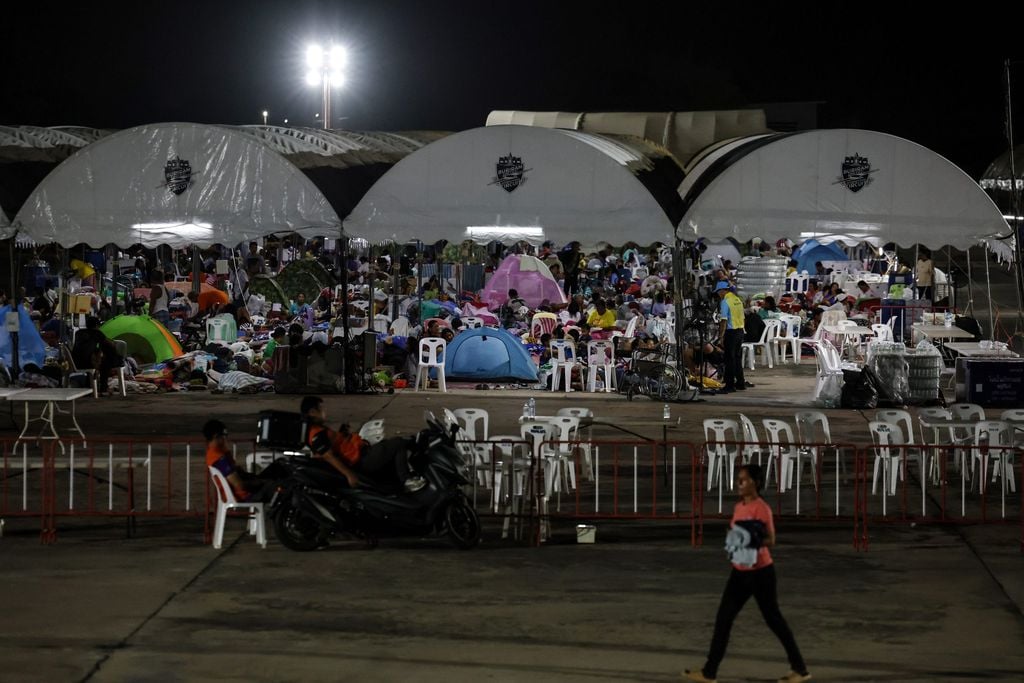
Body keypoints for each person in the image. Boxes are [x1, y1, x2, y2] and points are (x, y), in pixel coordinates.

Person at [683, 464, 811, 683]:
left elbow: (771, 539)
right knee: (723, 619)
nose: (739, 484)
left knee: (774, 620)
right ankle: (709, 672)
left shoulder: (762, 509)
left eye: (743, 480)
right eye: (738, 480)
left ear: (756, 483)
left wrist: (750, 539)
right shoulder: (738, 507)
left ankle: (799, 669)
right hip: (740, 572)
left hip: (760, 573)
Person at [300, 396, 425, 492]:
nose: (324, 412)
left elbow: (335, 445)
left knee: (388, 445)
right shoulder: (316, 434)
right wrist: (349, 475)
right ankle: (406, 480)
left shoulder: (318, 430)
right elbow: (329, 456)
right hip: (361, 460)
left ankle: (399, 480)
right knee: (399, 443)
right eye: (321, 409)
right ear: (312, 412)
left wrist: (342, 433)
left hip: (360, 452)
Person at [204, 419, 270, 502]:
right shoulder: (219, 459)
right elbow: (239, 485)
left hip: (244, 493)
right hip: (245, 496)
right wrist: (261, 483)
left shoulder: (215, 454)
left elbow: (237, 473)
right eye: (224, 435)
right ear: (216, 436)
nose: (226, 438)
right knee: (279, 488)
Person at [71, 316, 123, 396]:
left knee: (94, 358)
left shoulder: (79, 333)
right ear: (96, 325)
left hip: (76, 363)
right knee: (106, 363)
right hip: (89, 363)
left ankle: (90, 385)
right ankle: (103, 387)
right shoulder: (97, 333)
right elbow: (110, 344)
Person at [715, 281, 750, 393]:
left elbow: (724, 320)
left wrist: (721, 336)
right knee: (737, 358)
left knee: (729, 359)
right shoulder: (737, 300)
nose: (718, 295)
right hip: (740, 331)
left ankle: (729, 385)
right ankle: (740, 382)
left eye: (718, 292)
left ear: (722, 291)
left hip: (731, 332)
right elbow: (743, 318)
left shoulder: (725, 301)